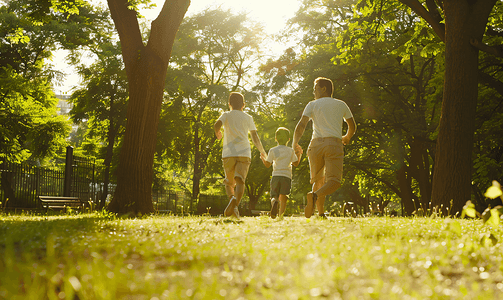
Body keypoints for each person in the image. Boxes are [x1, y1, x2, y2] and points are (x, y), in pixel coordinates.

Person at [292, 77, 356, 218]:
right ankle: (315, 196)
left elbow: (301, 125)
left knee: (317, 181)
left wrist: (294, 144)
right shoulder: (341, 104)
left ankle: (320, 212)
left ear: (323, 89)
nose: (313, 91)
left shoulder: (312, 105)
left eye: (315, 88)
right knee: (333, 182)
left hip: (315, 145)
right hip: (333, 144)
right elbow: (352, 126)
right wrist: (347, 137)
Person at [214, 92, 266, 218]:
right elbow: (254, 136)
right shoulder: (248, 117)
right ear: (244, 105)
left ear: (229, 104)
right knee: (240, 181)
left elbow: (217, 125)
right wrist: (262, 151)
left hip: (228, 153)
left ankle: (232, 199)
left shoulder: (226, 115)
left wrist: (218, 133)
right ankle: (235, 205)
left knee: (229, 182)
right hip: (244, 153)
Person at [260, 127, 303, 218]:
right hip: (286, 177)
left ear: (276, 139)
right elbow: (296, 163)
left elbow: (268, 164)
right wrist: (299, 154)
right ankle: (280, 215)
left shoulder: (273, 150)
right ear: (288, 139)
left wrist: (263, 159)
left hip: (276, 176)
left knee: (274, 195)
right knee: (284, 196)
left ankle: (274, 202)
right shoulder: (290, 151)